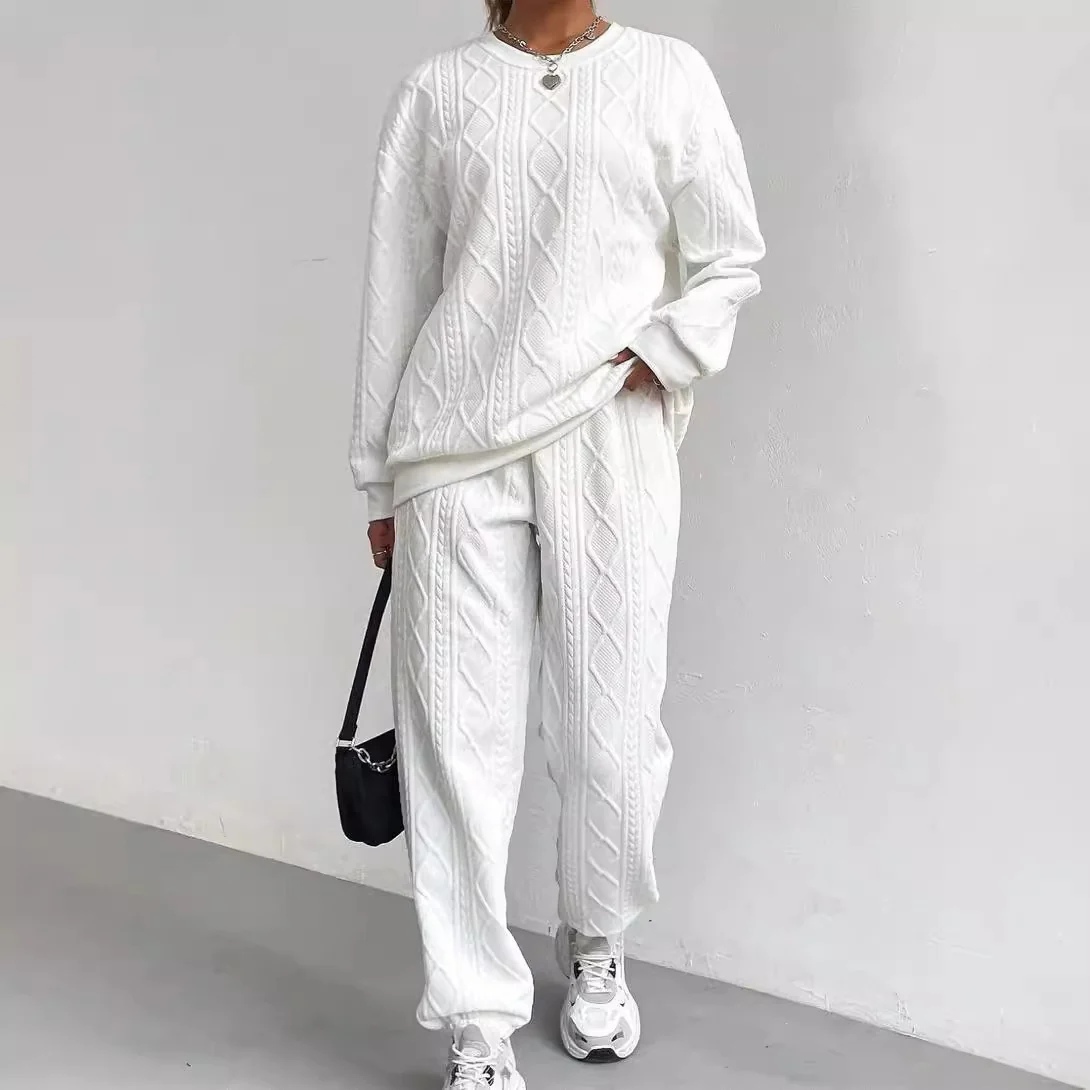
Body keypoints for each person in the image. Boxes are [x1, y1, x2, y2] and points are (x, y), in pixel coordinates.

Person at [350, 0, 764, 1085]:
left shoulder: (667, 74)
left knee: (611, 730)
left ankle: (597, 937)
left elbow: (730, 256)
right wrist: (379, 473)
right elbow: (397, 288)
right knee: (456, 740)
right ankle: (476, 1017)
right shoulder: (437, 92)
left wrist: (660, 349)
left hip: (609, 434)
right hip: (452, 448)